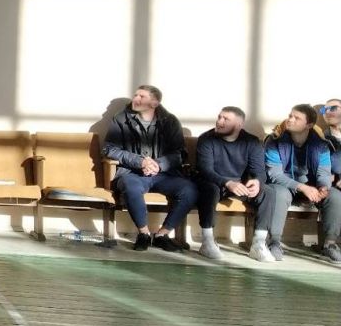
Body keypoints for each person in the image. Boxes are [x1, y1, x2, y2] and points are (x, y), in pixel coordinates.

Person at [103, 85, 196, 251]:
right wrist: (139, 162)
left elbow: (181, 153)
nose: (136, 99)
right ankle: (143, 234)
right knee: (130, 187)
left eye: (142, 96)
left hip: (165, 174)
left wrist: (159, 165)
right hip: (132, 172)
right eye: (135, 95)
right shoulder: (121, 119)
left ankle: (162, 235)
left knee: (190, 190)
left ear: (154, 103)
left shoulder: (170, 121)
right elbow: (109, 149)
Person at [253, 104, 338, 263]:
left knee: (334, 195)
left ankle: (329, 245)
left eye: (296, 118)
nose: (290, 119)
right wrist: (302, 187)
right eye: (290, 115)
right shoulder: (274, 141)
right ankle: (274, 242)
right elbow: (274, 174)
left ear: (309, 125)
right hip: (284, 185)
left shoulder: (321, 145)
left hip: (311, 186)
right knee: (278, 193)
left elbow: (324, 172)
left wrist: (323, 187)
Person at [191, 106, 264, 262]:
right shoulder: (207, 139)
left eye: (226, 119)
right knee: (209, 189)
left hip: (240, 185)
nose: (220, 121)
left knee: (268, 192)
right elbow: (205, 170)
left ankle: (259, 243)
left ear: (239, 125)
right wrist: (227, 183)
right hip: (214, 182)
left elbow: (259, 170)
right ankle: (207, 241)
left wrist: (257, 181)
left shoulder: (252, 142)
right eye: (219, 117)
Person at [323, 99, 341, 263]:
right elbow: (328, 165)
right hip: (327, 184)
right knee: (335, 196)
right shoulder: (321, 138)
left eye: (333, 108)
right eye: (324, 109)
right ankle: (330, 244)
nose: (328, 112)